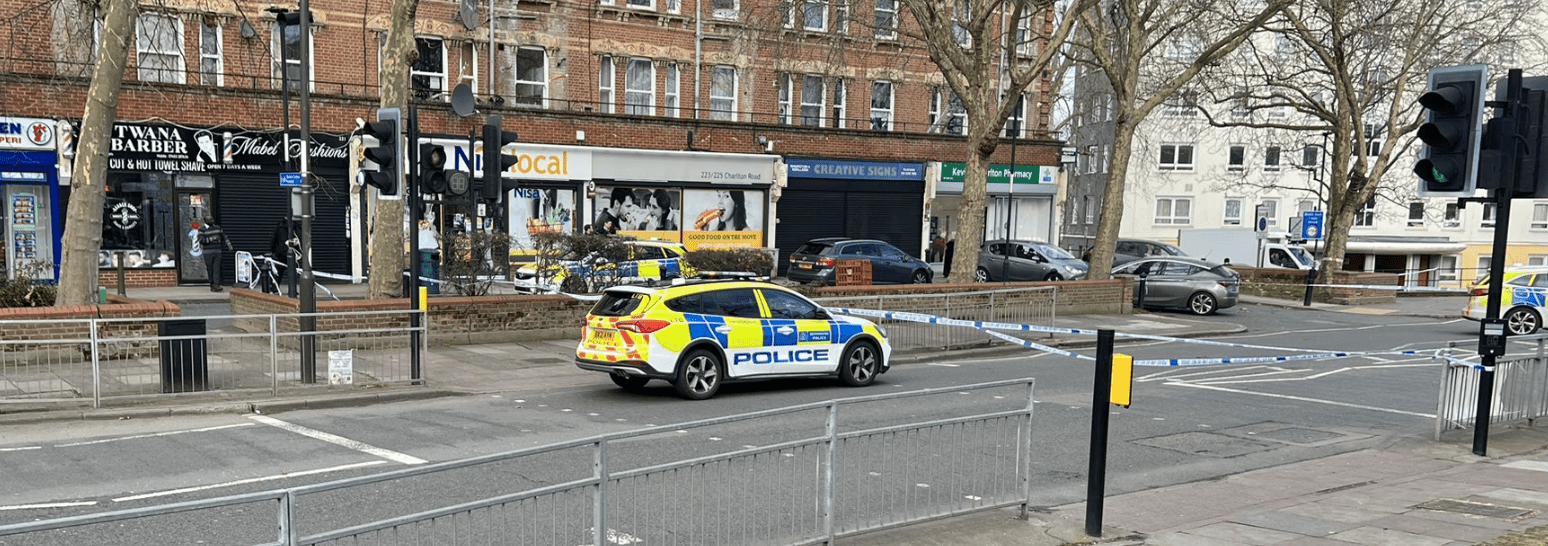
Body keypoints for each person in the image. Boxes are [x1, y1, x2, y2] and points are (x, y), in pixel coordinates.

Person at [198, 216, 233, 292]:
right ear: (206, 221)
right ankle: (212, 284)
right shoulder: (202, 230)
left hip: (218, 251)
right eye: (210, 220)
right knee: (210, 269)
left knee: (217, 268)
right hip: (208, 253)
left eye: (212, 219)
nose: (212, 221)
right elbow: (201, 241)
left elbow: (224, 236)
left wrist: (229, 245)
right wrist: (211, 239)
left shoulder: (217, 228)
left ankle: (216, 285)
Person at [268, 218, 300, 294]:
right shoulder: (295, 228)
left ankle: (274, 288)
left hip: (280, 253)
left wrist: (273, 250)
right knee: (292, 273)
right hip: (292, 254)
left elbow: (273, 240)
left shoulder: (279, 228)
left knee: (278, 273)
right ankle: (292, 290)